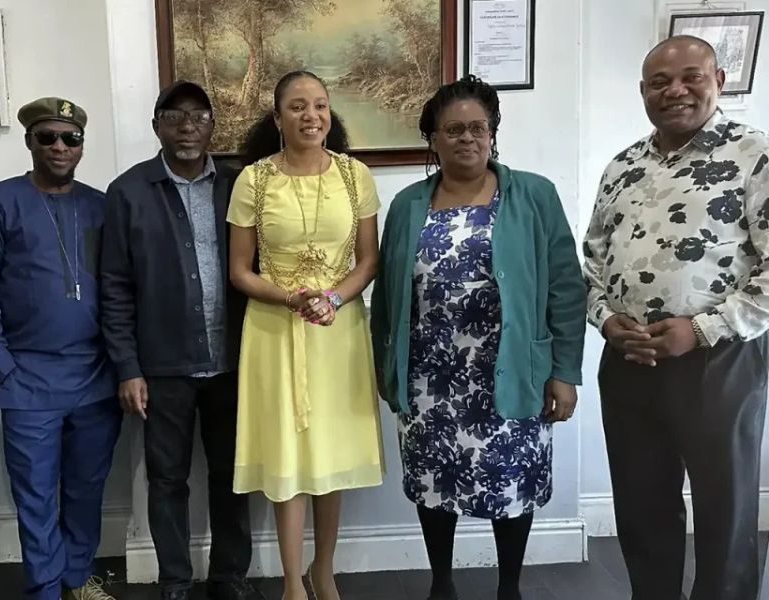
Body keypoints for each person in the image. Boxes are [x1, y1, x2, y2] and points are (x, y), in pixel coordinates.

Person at [371, 75, 586, 600]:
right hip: (430, 378)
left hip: (511, 372)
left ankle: (507, 587)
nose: (467, 138)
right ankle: (441, 583)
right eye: (453, 130)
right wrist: (387, 369)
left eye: (477, 128)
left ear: (492, 133)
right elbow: (388, 296)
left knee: (511, 484)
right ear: (433, 140)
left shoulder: (534, 195)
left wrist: (564, 372)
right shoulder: (405, 205)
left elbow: (565, 286)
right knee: (433, 482)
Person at [583, 35, 769, 600]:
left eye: (692, 77)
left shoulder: (753, 155)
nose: (676, 91)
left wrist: (702, 329)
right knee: (641, 507)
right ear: (644, 92)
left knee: (726, 510)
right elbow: (591, 259)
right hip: (629, 361)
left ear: (720, 80)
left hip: (719, 361)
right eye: (660, 82)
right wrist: (606, 319)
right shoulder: (623, 166)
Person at [100, 81, 261, 600]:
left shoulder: (240, 185)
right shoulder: (127, 193)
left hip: (235, 359)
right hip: (162, 365)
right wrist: (127, 367)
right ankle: (175, 579)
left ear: (213, 125)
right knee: (166, 478)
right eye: (174, 116)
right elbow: (115, 287)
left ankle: (230, 576)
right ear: (157, 127)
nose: (187, 125)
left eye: (198, 116)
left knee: (232, 474)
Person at [228, 70, 385, 600]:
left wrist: (335, 297)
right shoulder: (253, 180)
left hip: (337, 329)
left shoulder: (354, 176)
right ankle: (293, 582)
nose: (311, 115)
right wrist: (288, 296)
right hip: (274, 330)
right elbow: (240, 271)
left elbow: (369, 260)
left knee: (330, 452)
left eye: (319, 105)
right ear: (277, 118)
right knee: (288, 453)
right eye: (297, 106)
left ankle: (325, 569)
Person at [0, 97, 121, 600]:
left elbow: (120, 285)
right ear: (29, 141)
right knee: (35, 494)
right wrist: (1, 364)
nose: (59, 146)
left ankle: (77, 578)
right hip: (27, 378)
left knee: (85, 488)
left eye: (69, 138)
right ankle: (46, 586)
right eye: (47, 137)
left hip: (96, 375)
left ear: (81, 145)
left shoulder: (100, 206)